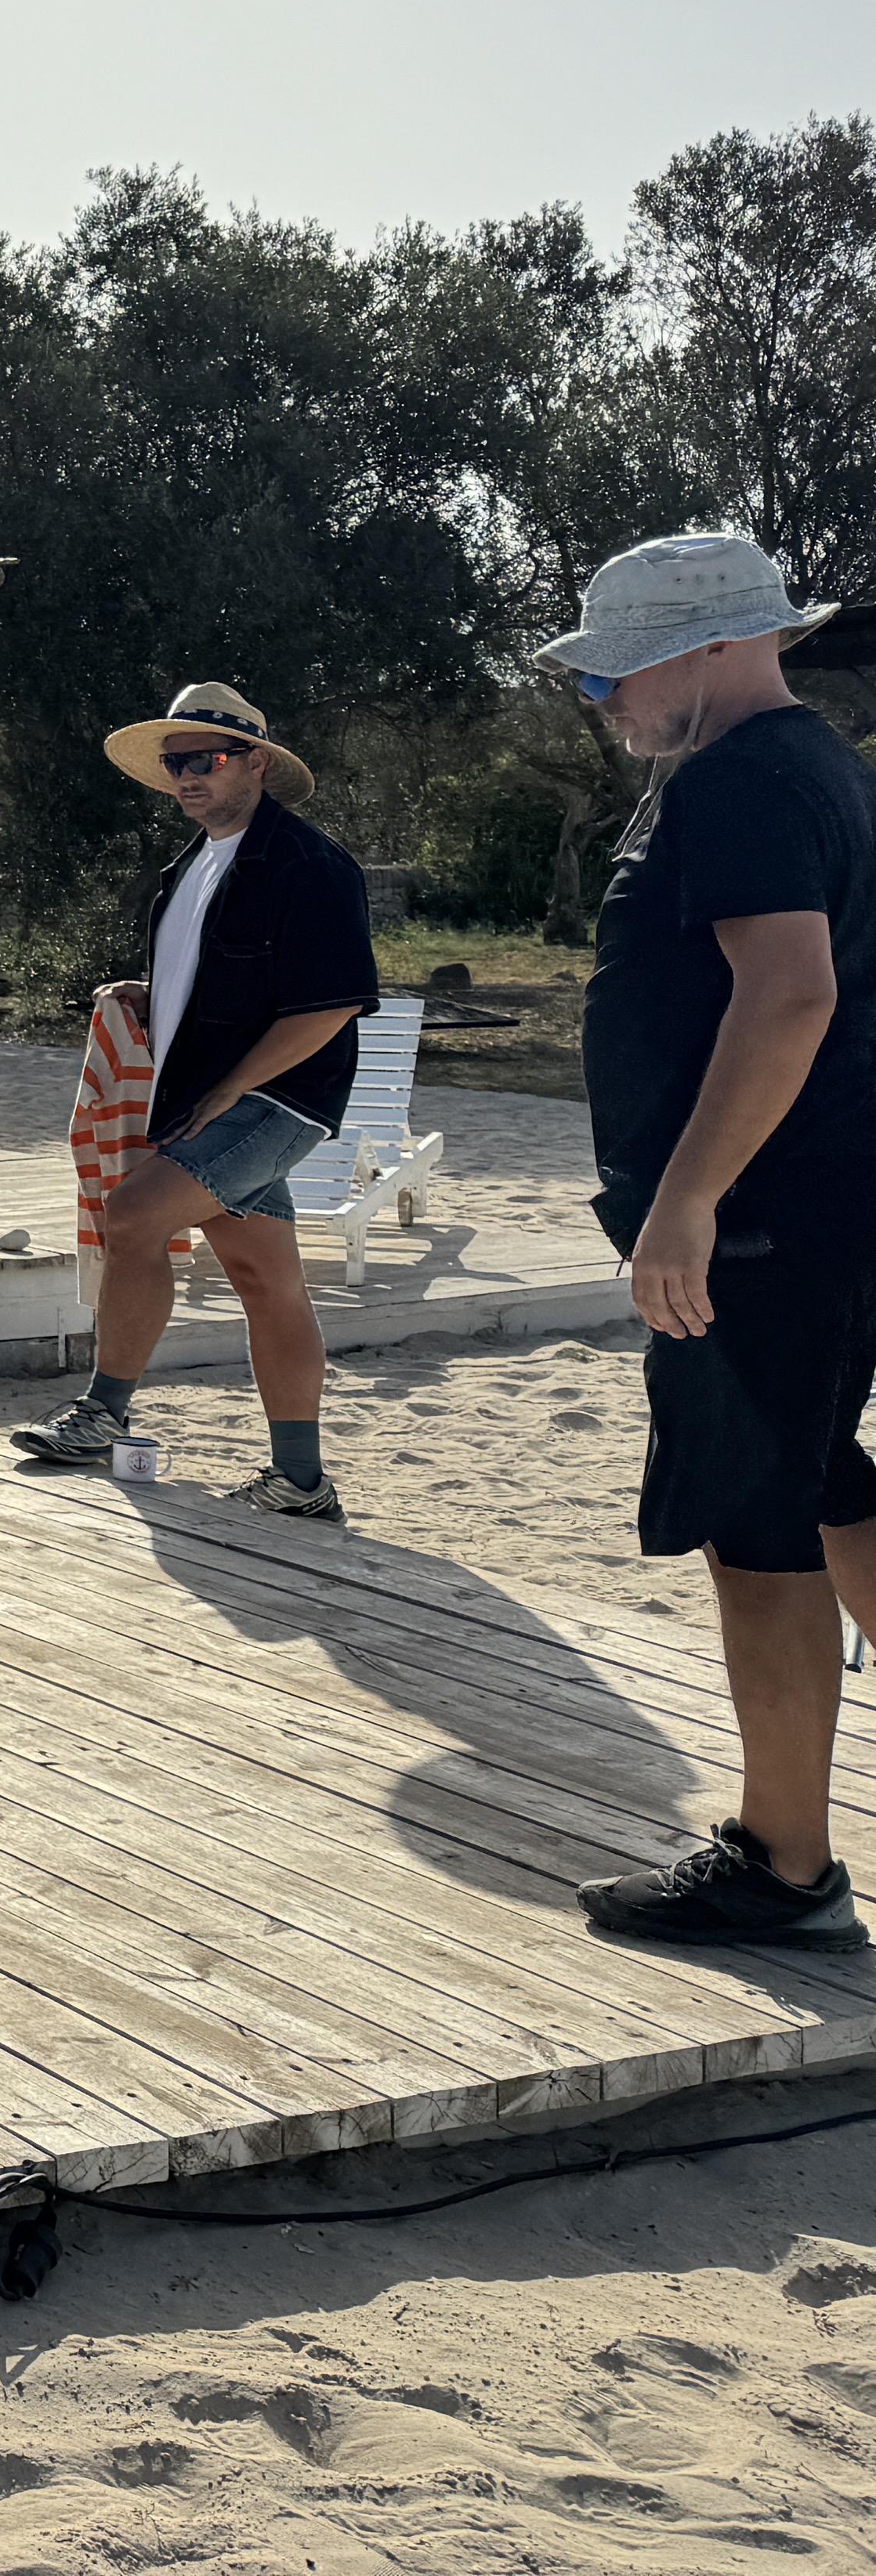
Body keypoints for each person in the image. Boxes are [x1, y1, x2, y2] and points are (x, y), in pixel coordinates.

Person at [539, 537, 876, 1950]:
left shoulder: (743, 776)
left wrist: (684, 1200)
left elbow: (787, 996)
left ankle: (781, 1861)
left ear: (705, 648)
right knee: (824, 1478)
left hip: (760, 1219)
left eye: (614, 667)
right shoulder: (814, 766)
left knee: (755, 1517)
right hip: (813, 1202)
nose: (604, 695)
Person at [4, 681, 378, 1519]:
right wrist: (153, 995)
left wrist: (230, 1087)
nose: (186, 778)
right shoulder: (189, 868)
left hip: (273, 1103)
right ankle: (302, 1482)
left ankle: (101, 1413)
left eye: (203, 759)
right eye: (175, 764)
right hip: (204, 1101)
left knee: (132, 1215)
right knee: (263, 1279)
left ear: (255, 761)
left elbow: (332, 1004)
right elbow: (229, 976)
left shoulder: (310, 865)